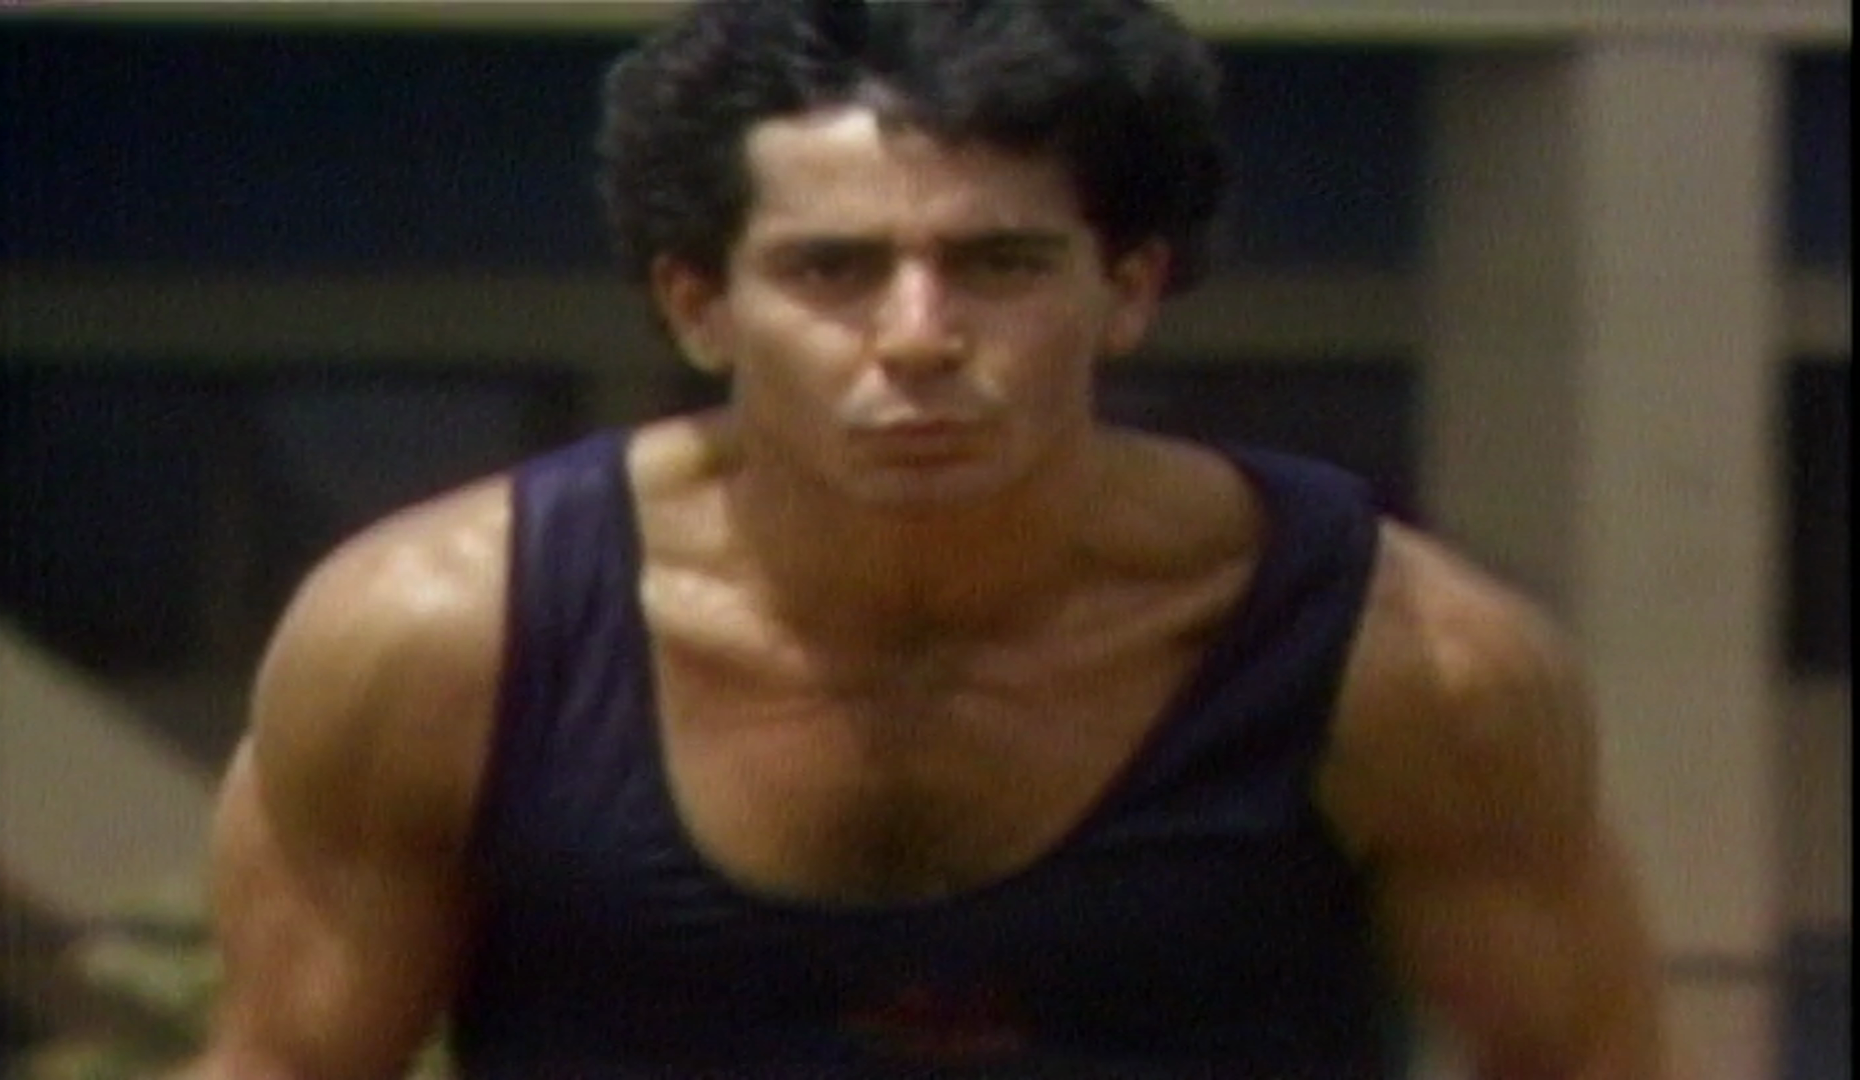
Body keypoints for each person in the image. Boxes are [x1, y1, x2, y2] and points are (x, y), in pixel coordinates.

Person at [177, 1, 1670, 1076]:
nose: (917, 337)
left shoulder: (1415, 665)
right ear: (699, 306)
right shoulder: (439, 638)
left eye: (999, 264)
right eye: (833, 270)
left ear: (1128, 288)